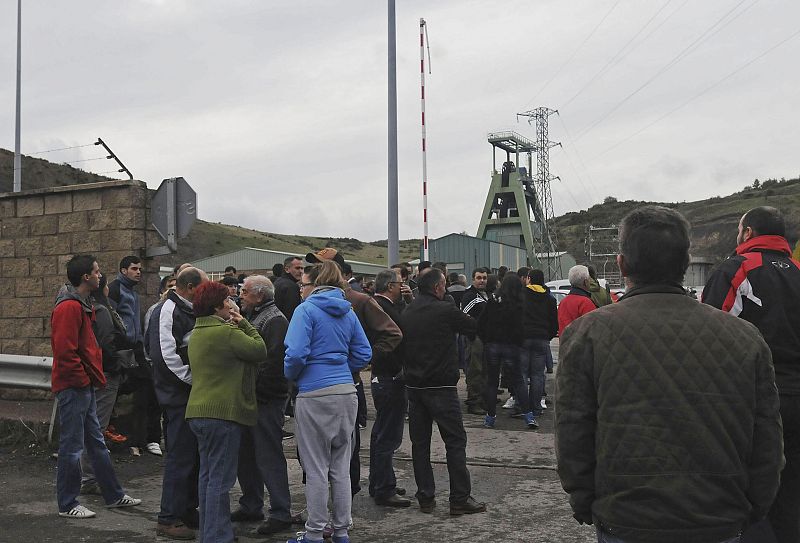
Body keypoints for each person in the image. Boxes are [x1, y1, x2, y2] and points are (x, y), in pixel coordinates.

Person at [556, 206, 783, 543]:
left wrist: (585, 501)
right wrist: (753, 507)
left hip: (626, 519)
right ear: (685, 264)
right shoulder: (746, 337)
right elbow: (767, 440)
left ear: (621, 265)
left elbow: (574, 430)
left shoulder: (587, 334)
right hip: (719, 519)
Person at [702, 206, 800, 543]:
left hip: (751, 399)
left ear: (747, 233)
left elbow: (709, 335)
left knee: (748, 494)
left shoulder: (737, 270)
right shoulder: (799, 271)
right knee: (791, 499)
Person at [284, 261, 372, 543]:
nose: (301, 289)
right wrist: (343, 368)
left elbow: (295, 353)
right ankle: (341, 530)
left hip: (314, 392)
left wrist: (293, 377)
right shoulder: (348, 311)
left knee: (316, 468)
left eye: (302, 284)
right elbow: (364, 351)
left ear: (313, 284)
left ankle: (314, 532)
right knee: (341, 466)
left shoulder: (305, 310)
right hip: (347, 391)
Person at [51, 254, 141, 519]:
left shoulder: (83, 304)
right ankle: (67, 503)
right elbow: (66, 353)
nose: (101, 275)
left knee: (97, 443)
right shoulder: (69, 307)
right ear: (86, 277)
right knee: (72, 447)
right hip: (74, 387)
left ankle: (113, 495)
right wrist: (82, 380)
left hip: (85, 385)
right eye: (97, 271)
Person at [401, 268, 486, 516]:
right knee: (455, 442)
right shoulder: (445, 310)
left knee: (420, 444)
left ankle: (425, 497)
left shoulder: (408, 311)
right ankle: (459, 498)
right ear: (438, 288)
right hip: (441, 387)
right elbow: (473, 327)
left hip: (415, 386)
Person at [185, 281, 266, 543]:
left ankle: (210, 532)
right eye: (229, 300)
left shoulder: (196, 333)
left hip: (198, 411)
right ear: (219, 306)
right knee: (220, 480)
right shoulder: (227, 333)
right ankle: (217, 536)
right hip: (223, 414)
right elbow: (259, 350)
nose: (233, 303)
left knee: (208, 477)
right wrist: (243, 322)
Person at [234, 275, 296, 535]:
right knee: (246, 454)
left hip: (265, 399)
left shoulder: (275, 320)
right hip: (252, 397)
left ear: (259, 295)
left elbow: (274, 365)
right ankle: (251, 504)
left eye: (245, 292)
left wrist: (258, 392)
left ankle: (281, 512)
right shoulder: (256, 315)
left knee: (268, 455)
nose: (241, 296)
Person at [149, 267, 208, 540]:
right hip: (179, 397)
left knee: (193, 457)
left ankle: (185, 509)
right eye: (204, 288)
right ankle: (168, 517)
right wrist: (194, 381)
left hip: (190, 395)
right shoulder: (167, 312)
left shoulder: (187, 310)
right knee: (180, 458)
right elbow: (166, 358)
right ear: (191, 287)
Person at [79, 274, 129, 494]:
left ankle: (88, 476)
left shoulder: (87, 307)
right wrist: (116, 366)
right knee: (96, 427)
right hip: (105, 374)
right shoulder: (102, 311)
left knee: (91, 426)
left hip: (93, 372)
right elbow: (107, 344)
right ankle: (90, 478)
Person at [108, 255, 162, 456]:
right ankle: (119, 436)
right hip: (124, 349)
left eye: (139, 269)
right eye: (133, 268)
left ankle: (144, 438)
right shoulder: (115, 289)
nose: (138, 272)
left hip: (136, 348)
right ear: (123, 270)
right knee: (124, 390)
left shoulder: (132, 291)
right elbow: (111, 318)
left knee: (147, 388)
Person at [368, 269, 411, 507]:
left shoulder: (379, 306)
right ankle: (384, 488)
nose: (402, 287)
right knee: (388, 435)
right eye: (399, 283)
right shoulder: (384, 308)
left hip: (383, 376)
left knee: (380, 433)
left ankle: (380, 482)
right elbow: (404, 331)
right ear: (389, 286)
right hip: (390, 377)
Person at [477, 272, 526, 428]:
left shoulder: (493, 301)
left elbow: (482, 323)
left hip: (493, 345)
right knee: (519, 380)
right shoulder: (520, 303)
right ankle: (529, 415)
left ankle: (490, 417)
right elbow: (523, 326)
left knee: (492, 382)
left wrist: (486, 340)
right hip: (512, 345)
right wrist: (519, 342)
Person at [519, 268, 558, 420]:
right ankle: (536, 407)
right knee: (537, 374)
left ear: (529, 278)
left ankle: (523, 406)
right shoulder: (549, 299)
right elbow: (554, 323)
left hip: (523, 338)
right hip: (541, 339)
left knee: (521, 373)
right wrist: (547, 336)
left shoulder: (521, 296)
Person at [461, 267, 489, 415]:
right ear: (473, 279)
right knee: (475, 371)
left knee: (484, 371)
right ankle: (473, 402)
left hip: (485, 338)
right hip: (475, 339)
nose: (482, 280)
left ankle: (482, 399)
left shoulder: (486, 295)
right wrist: (472, 335)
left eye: (484, 278)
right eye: (479, 278)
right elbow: (465, 317)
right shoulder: (470, 296)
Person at [557, 265, 597, 336]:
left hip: (565, 344)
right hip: (581, 345)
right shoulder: (586, 302)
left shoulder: (563, 302)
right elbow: (592, 328)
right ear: (585, 282)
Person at [274, 256, 304, 320]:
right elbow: (292, 313)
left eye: (302, 268)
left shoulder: (278, 282)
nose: (301, 271)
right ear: (287, 269)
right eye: (297, 268)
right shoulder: (291, 287)